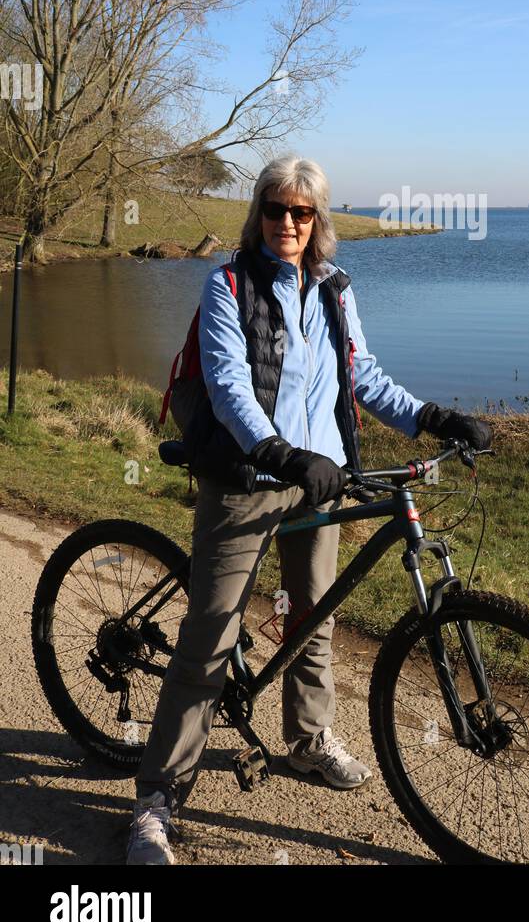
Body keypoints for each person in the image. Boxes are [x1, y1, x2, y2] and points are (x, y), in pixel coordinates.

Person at [127, 155, 491, 864]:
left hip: (320, 479)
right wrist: (279, 452)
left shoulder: (334, 288)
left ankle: (306, 740)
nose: (288, 223)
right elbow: (231, 386)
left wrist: (434, 417)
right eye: (276, 209)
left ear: (318, 220)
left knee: (312, 619)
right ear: (258, 212)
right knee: (208, 641)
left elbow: (363, 376)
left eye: (302, 212)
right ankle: (156, 802)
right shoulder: (228, 283)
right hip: (246, 475)